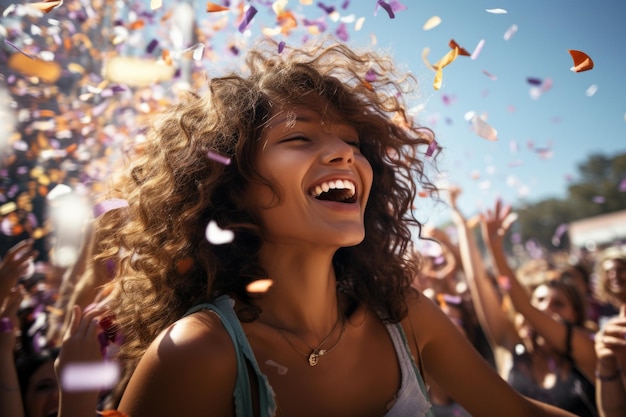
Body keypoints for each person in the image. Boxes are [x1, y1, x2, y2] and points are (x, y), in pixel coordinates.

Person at [96, 37, 576, 416]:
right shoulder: (196, 354)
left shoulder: (404, 317)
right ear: (231, 184)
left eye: (351, 141)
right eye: (300, 136)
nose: (346, 152)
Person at [448, 190, 598, 417]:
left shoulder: (585, 352)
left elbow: (524, 308)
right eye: (539, 300)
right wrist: (462, 224)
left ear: (576, 315)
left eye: (558, 304)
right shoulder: (509, 347)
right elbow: (477, 280)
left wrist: (497, 252)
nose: (546, 308)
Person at [593, 247, 626, 417]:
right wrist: (607, 364)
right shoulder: (611, 324)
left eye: (621, 269)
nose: (614, 276)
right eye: (608, 271)